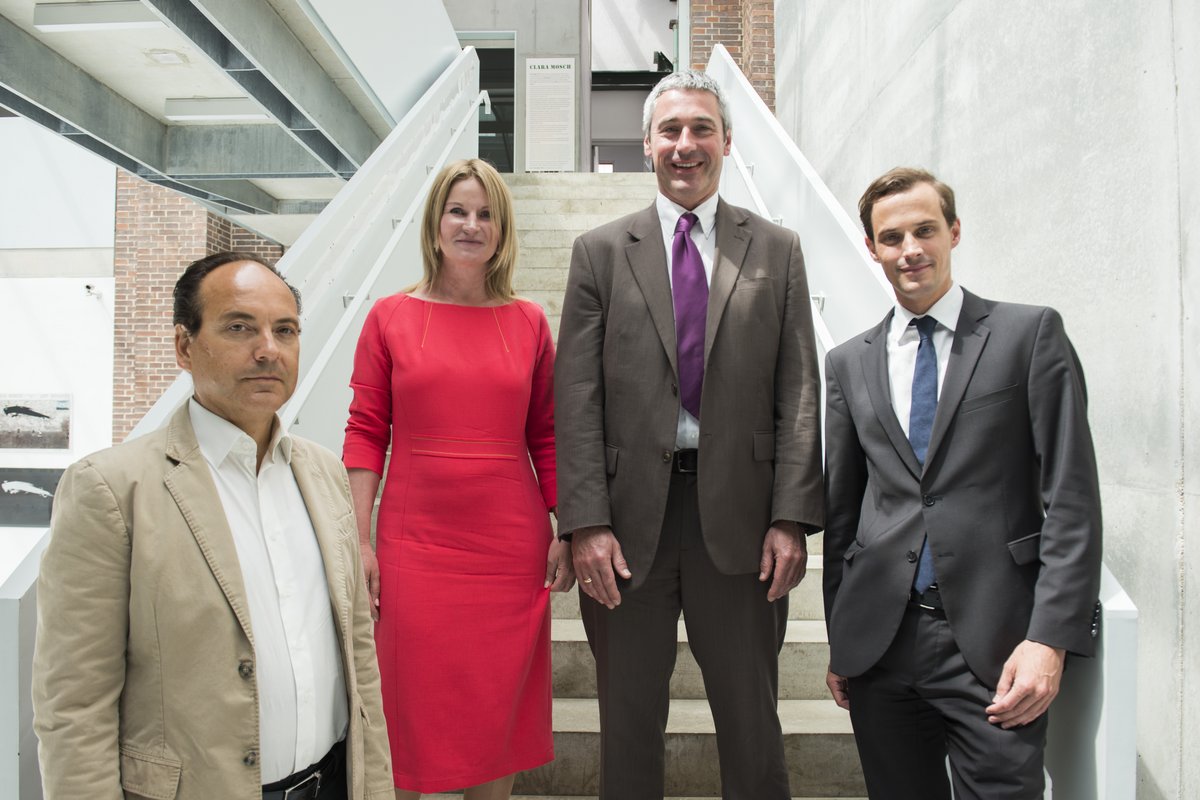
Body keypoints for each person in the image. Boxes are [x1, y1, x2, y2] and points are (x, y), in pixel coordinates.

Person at [32, 252, 393, 799]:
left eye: (285, 330)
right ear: (185, 346)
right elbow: (74, 706)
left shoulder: (323, 474)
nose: (268, 349)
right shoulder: (111, 490)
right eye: (239, 327)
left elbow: (360, 658)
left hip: (336, 783)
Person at [554, 70, 824, 799]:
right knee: (628, 725)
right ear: (646, 144)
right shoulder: (599, 253)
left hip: (740, 524)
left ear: (727, 141)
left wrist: (791, 517)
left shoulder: (777, 249)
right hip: (627, 527)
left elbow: (800, 391)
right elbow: (574, 397)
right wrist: (584, 523)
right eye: (670, 130)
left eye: (701, 128)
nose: (685, 144)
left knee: (751, 725)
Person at [823, 167, 1103, 799]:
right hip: (882, 646)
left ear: (954, 231)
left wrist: (1049, 640)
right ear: (872, 248)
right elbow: (843, 513)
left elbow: (1072, 498)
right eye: (891, 237)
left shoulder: (1027, 335)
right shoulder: (848, 363)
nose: (910, 249)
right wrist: (843, 639)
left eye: (925, 230)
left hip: (997, 642)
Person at [342, 158, 569, 799]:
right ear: (435, 222)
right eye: (459, 211)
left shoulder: (528, 322)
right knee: (406, 715)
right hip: (415, 546)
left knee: (495, 721)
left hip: (508, 548)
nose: (472, 225)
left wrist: (565, 526)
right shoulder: (389, 316)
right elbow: (365, 432)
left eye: (487, 213)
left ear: (503, 229)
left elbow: (547, 435)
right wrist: (360, 539)